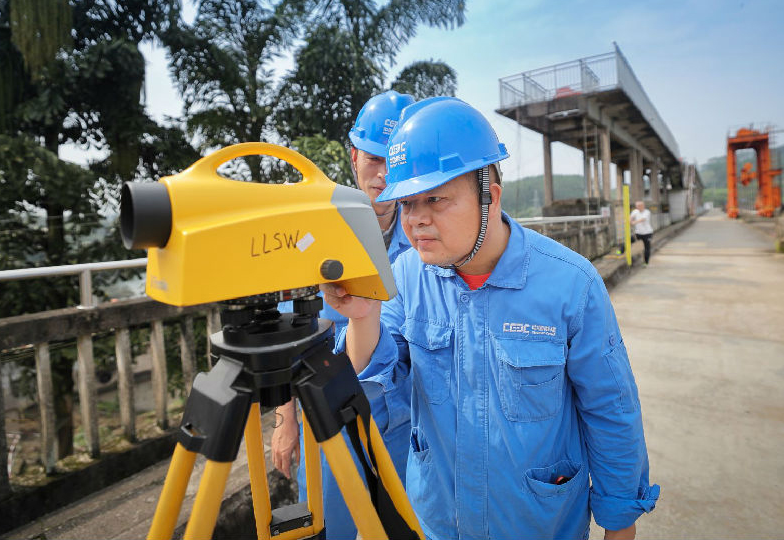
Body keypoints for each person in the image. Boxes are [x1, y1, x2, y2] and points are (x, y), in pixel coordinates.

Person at [322, 97, 659, 540]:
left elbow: (610, 411)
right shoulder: (406, 275)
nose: (416, 220)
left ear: (490, 197)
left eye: (435, 199)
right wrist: (365, 317)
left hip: (536, 524)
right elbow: (379, 383)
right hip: (439, 522)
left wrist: (619, 525)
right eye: (406, 204)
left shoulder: (569, 285)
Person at [270, 90, 414, 540]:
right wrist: (285, 420)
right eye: (373, 158)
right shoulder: (314, 231)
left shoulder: (431, 234)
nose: (384, 173)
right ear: (353, 156)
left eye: (396, 159)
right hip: (331, 414)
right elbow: (285, 334)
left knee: (408, 526)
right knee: (338, 524)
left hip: (410, 420)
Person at [630, 200, 654, 265]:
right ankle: (621, 251)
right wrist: (630, 221)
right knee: (629, 240)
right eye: (636, 206)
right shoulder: (635, 211)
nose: (637, 207)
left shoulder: (647, 212)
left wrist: (634, 222)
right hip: (638, 233)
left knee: (647, 248)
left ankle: (646, 262)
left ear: (643, 206)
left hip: (647, 233)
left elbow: (643, 219)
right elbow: (631, 218)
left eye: (639, 205)